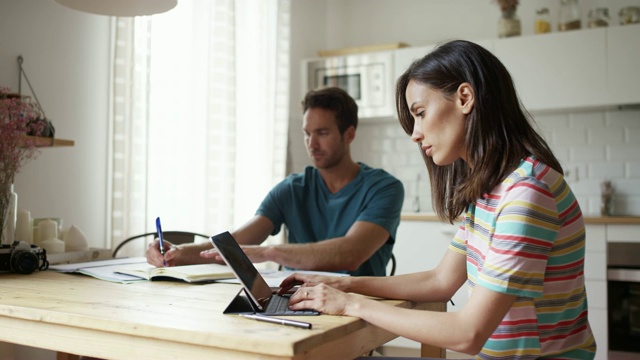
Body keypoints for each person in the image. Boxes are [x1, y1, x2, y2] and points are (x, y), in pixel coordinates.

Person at [281, 40, 597, 359]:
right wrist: (345, 286)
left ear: (464, 98)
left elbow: (468, 333)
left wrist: (350, 304)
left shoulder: (526, 194)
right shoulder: (492, 190)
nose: (415, 134)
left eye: (420, 113)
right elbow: (440, 280)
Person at [147, 86, 404, 276]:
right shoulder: (292, 189)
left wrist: (270, 253)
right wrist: (177, 253)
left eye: (322, 133)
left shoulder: (384, 188)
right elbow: (238, 240)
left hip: (358, 303)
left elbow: (351, 254)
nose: (311, 144)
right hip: (296, 298)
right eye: (306, 134)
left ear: (349, 134)